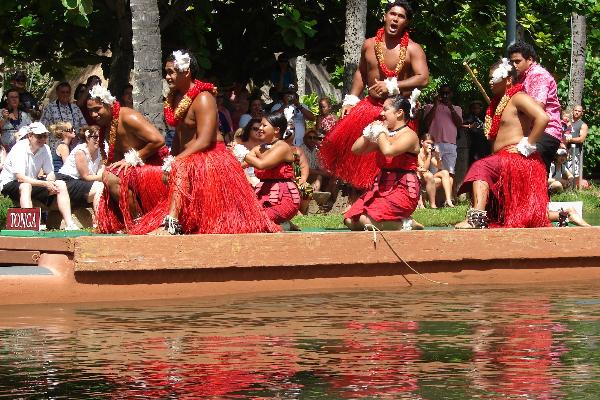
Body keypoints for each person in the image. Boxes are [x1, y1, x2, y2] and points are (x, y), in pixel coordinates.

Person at [131, 50, 279, 235]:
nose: (167, 76)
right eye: (166, 72)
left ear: (186, 71)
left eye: (171, 72)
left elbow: (205, 139)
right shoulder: (176, 97)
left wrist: (177, 161)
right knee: (155, 173)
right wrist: (171, 158)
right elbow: (180, 133)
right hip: (188, 155)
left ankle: (171, 225)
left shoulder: (203, 97)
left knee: (181, 168)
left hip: (210, 155)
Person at [319, 0, 429, 190]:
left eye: (401, 16)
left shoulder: (413, 48)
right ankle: (360, 201)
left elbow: (423, 78)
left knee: (391, 161)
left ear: (407, 22)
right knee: (356, 155)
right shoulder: (369, 44)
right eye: (392, 14)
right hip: (369, 106)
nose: (395, 19)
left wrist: (392, 85)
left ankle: (392, 202)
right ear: (385, 16)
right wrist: (352, 99)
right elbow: (361, 73)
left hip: (397, 111)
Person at [455, 59, 550, 229]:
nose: (490, 82)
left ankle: (476, 219)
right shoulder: (498, 104)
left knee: (480, 167)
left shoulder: (519, 97)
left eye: (494, 78)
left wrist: (527, 145)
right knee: (504, 214)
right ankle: (565, 213)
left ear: (508, 79)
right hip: (502, 158)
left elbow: (542, 117)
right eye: (489, 78)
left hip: (516, 157)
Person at [87, 84, 168, 234]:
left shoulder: (128, 116)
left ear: (108, 105)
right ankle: (130, 220)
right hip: (137, 169)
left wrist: (133, 158)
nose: (93, 115)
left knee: (111, 177)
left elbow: (158, 140)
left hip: (156, 167)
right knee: (109, 174)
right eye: (90, 111)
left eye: (97, 109)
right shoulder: (107, 126)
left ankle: (139, 222)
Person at [344, 95, 421, 231]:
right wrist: (367, 133)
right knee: (350, 220)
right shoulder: (386, 134)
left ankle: (406, 224)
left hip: (402, 190)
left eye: (385, 110)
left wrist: (380, 132)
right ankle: (400, 223)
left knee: (364, 220)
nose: (381, 113)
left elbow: (388, 151)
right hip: (381, 187)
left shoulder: (409, 135)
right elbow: (356, 150)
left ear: (399, 113)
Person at [0, 122, 78, 230]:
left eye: (44, 136)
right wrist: (45, 183)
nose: (42, 139)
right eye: (39, 136)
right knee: (25, 186)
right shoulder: (19, 148)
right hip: (9, 184)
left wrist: (50, 181)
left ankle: (70, 224)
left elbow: (50, 172)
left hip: (32, 182)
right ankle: (29, 225)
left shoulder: (45, 148)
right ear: (30, 136)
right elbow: (20, 177)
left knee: (60, 184)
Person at [235, 111, 300, 225]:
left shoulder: (283, 146)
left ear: (276, 130)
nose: (260, 128)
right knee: (243, 218)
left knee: (257, 221)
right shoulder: (260, 147)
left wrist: (244, 154)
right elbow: (241, 165)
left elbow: (262, 164)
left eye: (264, 125)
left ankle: (281, 221)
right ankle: (282, 224)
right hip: (263, 194)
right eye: (260, 125)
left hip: (283, 198)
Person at [507, 40, 562, 172]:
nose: (514, 65)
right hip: (529, 132)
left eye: (517, 61)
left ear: (530, 59)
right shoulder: (520, 78)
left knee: (535, 174)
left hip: (545, 131)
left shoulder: (538, 75)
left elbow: (537, 108)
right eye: (512, 62)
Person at [56, 126, 104, 216]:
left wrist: (104, 177)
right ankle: (100, 221)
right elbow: (85, 176)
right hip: (67, 180)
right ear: (87, 138)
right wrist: (105, 177)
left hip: (82, 182)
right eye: (95, 137)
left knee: (104, 186)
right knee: (100, 187)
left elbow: (101, 173)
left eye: (101, 137)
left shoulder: (101, 152)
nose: (99, 140)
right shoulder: (81, 151)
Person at [423, 84, 462, 180]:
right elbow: (426, 123)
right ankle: (433, 195)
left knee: (450, 173)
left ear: (451, 94)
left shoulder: (457, 108)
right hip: (434, 144)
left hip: (450, 144)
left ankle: (450, 195)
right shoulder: (429, 106)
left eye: (447, 93)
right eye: (442, 93)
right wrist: (435, 105)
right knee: (433, 174)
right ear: (439, 94)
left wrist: (451, 108)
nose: (445, 95)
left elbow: (459, 124)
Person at [40, 82, 87, 151]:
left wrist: (78, 136)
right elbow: (42, 126)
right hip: (56, 147)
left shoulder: (75, 108)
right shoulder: (50, 108)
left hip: (75, 147)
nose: (65, 94)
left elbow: (84, 126)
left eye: (67, 92)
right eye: (62, 92)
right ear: (57, 93)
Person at [418, 134, 454, 208]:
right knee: (429, 175)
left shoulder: (430, 153)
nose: (429, 145)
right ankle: (433, 204)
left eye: (431, 143)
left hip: (428, 178)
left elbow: (439, 166)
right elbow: (424, 169)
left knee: (446, 173)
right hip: (420, 178)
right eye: (427, 143)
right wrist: (429, 155)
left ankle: (448, 200)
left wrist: (438, 157)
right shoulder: (418, 152)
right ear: (422, 142)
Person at [462, 100, 491, 165]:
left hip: (485, 144)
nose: (476, 110)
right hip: (474, 144)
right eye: (474, 108)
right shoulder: (469, 117)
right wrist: (470, 126)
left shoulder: (484, 117)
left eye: (478, 108)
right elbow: (460, 125)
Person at [564, 104, 588, 183]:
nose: (577, 112)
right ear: (572, 111)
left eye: (579, 111)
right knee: (564, 173)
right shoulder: (567, 123)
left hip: (575, 153)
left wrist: (570, 139)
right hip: (564, 151)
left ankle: (574, 192)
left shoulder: (583, 125)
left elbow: (581, 139)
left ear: (582, 113)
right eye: (576, 110)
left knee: (574, 174)